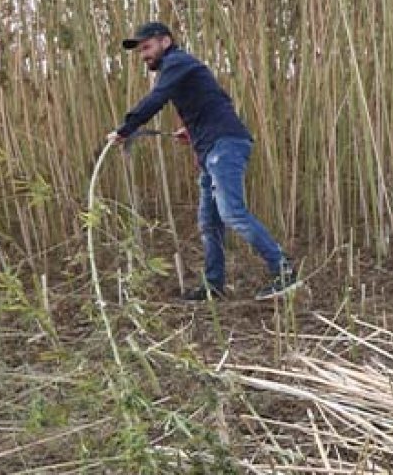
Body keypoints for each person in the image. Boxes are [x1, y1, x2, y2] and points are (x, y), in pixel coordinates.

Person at [106, 21, 297, 301]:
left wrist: (126, 128)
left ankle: (284, 272)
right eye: (140, 51)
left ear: (165, 42)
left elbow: (157, 98)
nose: (144, 55)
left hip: (225, 146)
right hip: (212, 147)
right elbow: (219, 98)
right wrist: (193, 129)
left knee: (231, 213)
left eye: (147, 47)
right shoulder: (183, 67)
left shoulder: (177, 61)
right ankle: (213, 286)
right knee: (209, 221)